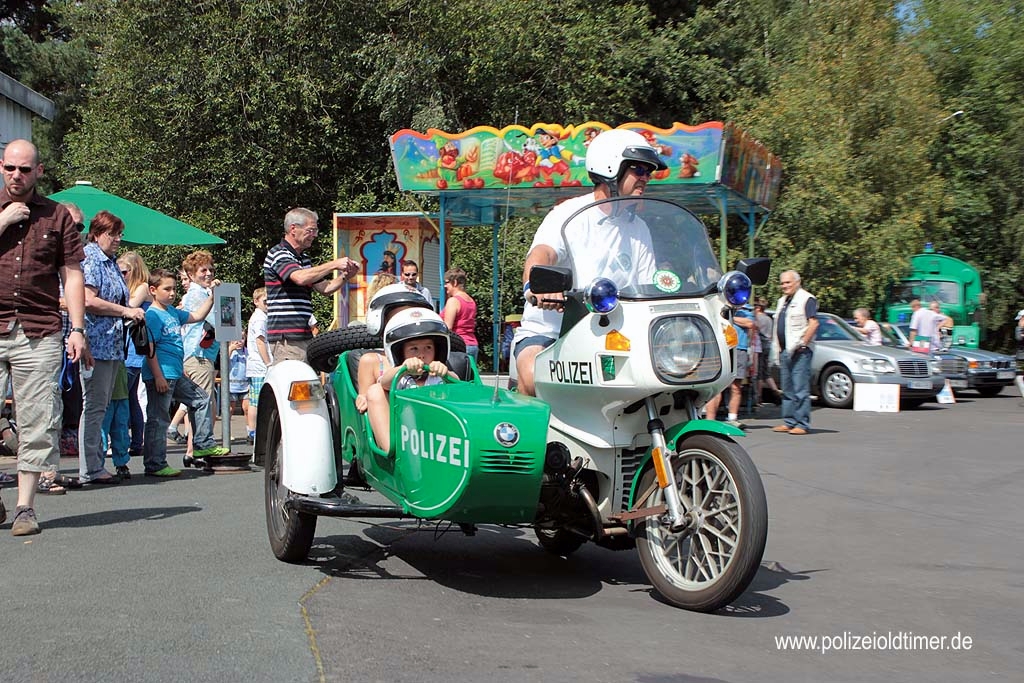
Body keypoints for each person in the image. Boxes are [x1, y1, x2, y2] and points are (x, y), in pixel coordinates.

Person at [514, 128, 665, 396]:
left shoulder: (639, 228)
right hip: (552, 333)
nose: (646, 178)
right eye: (639, 170)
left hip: (613, 337)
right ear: (610, 167)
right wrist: (536, 285)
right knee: (534, 379)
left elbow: (648, 285)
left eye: (648, 172)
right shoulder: (568, 214)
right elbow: (542, 253)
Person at [0, 138, 89, 535]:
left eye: (23, 169)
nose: (15, 176)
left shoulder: (57, 216)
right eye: (9, 168)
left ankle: (24, 508)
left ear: (38, 172)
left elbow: (72, 275)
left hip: (39, 330)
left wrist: (78, 329)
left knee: (37, 418)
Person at [78, 210, 147, 486]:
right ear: (97, 234)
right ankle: (90, 468)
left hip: (111, 346)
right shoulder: (92, 258)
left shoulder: (107, 261)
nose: (118, 239)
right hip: (96, 343)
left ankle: (93, 465)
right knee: (94, 406)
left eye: (120, 234)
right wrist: (125, 312)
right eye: (113, 234)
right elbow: (87, 300)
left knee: (101, 405)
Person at [142, 269, 229, 476]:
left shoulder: (172, 312)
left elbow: (197, 316)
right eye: (167, 289)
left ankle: (202, 443)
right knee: (158, 417)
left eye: (174, 289)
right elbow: (149, 348)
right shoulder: (153, 315)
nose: (172, 293)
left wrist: (213, 297)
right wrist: (158, 376)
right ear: (153, 290)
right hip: (162, 374)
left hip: (175, 373)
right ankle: (155, 464)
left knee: (200, 399)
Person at [264, 207, 359, 362]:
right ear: (293, 229)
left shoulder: (303, 259)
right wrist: (334, 264)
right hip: (287, 337)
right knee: (294, 381)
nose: (314, 235)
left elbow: (325, 288)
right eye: (311, 230)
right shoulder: (279, 253)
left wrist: (346, 276)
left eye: (315, 230)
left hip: (303, 333)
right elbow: (300, 278)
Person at [365, 309, 450, 452]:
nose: (422, 354)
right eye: (414, 349)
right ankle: (391, 451)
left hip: (438, 436)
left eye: (428, 348)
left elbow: (459, 384)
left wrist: (445, 373)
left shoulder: (437, 375)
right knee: (374, 390)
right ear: (400, 353)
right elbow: (384, 382)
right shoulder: (401, 378)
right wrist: (402, 369)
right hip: (404, 436)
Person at [354, 284, 432, 413]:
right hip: (392, 421)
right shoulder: (372, 360)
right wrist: (363, 397)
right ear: (381, 320)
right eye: (399, 316)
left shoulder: (430, 355)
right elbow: (364, 397)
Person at [771, 270, 819, 436]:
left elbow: (813, 323)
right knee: (787, 388)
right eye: (782, 283)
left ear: (797, 282)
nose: (784, 286)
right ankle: (789, 421)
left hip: (800, 351)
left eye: (788, 282)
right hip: (784, 350)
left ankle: (802, 423)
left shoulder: (806, 299)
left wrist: (803, 343)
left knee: (800, 388)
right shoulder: (782, 301)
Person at [180, 250, 221, 423]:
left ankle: (196, 447)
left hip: (203, 355)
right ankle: (196, 449)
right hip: (199, 356)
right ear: (191, 274)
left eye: (210, 270)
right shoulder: (197, 294)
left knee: (203, 403)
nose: (209, 274)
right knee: (203, 404)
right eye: (203, 271)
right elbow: (217, 321)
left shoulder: (204, 292)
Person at [118, 251, 151, 457]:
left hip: (134, 351)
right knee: (131, 398)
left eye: (123, 271)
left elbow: (129, 306)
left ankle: (129, 440)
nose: (120, 274)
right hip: (130, 349)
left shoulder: (142, 287)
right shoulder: (134, 287)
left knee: (122, 396)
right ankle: (137, 441)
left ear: (134, 270)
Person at [704, 307, 756, 429]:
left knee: (736, 387)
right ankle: (710, 421)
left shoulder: (746, 310)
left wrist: (728, 317)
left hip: (739, 349)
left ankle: (732, 419)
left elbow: (749, 323)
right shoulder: (719, 306)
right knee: (716, 385)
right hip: (721, 348)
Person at [245, 288, 271, 444]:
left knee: (255, 399)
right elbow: (260, 341)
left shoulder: (258, 317)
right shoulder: (260, 318)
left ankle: (252, 431)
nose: (268, 304)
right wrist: (268, 362)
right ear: (256, 301)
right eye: (265, 301)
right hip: (260, 365)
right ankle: (253, 431)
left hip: (256, 364)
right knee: (257, 400)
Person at [442, 266, 479, 362]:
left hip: (458, 347)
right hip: (472, 345)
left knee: (455, 377)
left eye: (446, 282)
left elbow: (447, 328)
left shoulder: (453, 301)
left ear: (454, 282)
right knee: (469, 376)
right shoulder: (471, 301)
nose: (445, 286)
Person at [753, 298, 782, 404]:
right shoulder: (769, 319)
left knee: (759, 373)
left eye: (755, 307)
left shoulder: (758, 318)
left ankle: (758, 397)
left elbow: (755, 330)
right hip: (768, 346)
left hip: (760, 346)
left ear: (758, 308)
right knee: (767, 372)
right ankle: (776, 392)